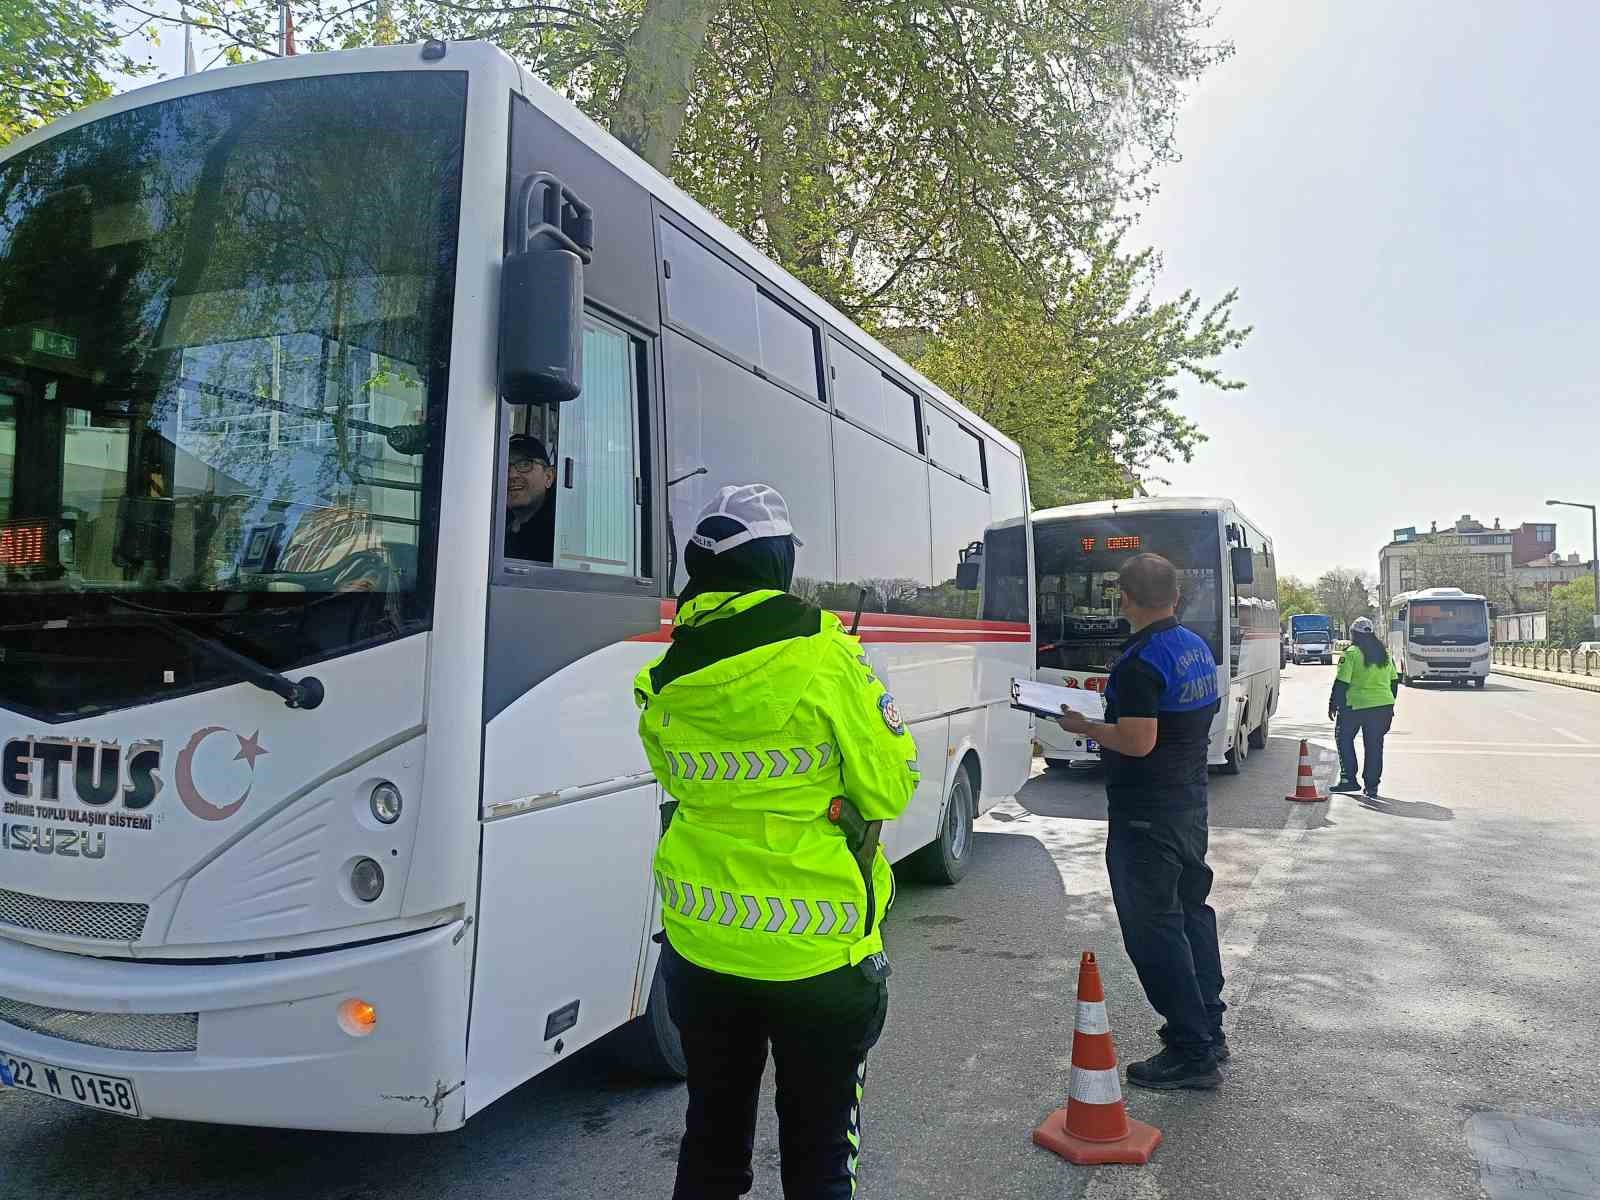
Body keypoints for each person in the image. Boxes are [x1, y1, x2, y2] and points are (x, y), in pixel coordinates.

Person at [634, 483, 919, 1200]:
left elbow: (683, 786)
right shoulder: (828, 654)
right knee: (821, 1153)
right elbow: (889, 789)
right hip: (818, 955)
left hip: (700, 947)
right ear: (778, 564)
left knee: (711, 1138)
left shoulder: (664, 675)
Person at [1055, 552, 1227, 1090]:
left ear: (1124, 600)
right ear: (1175, 597)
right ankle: (1209, 1025)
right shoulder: (1194, 647)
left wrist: (1085, 725)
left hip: (1144, 815)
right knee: (1192, 912)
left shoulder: (1137, 663)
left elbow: (1138, 740)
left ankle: (1190, 1049)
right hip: (1187, 805)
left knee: (1154, 930)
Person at [1328, 616, 1399, 799]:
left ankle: (1349, 779)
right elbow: (1394, 682)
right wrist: (1390, 704)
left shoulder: (1350, 653)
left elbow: (1342, 683)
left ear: (1354, 634)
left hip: (1356, 706)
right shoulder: (1385, 654)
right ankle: (1372, 786)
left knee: (1343, 738)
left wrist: (1333, 704)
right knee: (1375, 745)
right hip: (1383, 706)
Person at [504, 433, 556, 561]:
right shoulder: (489, 524)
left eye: (525, 465)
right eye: (504, 465)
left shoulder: (557, 538)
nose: (512, 475)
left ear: (548, 477)